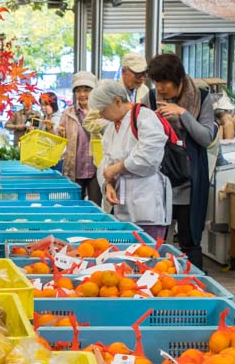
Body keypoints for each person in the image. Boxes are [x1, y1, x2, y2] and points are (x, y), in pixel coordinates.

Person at [148, 53, 217, 265]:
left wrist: (182, 114)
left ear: (178, 78)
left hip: (190, 181)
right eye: (156, 82)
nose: (160, 88)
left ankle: (195, 285)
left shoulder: (202, 98)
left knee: (189, 239)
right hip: (159, 181)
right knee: (155, 239)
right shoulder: (151, 99)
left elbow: (206, 137)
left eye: (165, 82)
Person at [88, 79, 171, 242]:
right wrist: (108, 184)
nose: (101, 115)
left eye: (103, 110)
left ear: (117, 101)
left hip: (147, 203)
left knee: (148, 255)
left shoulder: (145, 117)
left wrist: (119, 167)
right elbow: (105, 159)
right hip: (122, 204)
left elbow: (150, 155)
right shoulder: (112, 127)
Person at [56, 71, 103, 203]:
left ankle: (93, 225)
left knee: (96, 205)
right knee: (74, 204)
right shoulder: (67, 113)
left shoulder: (102, 111)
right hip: (75, 167)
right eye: (78, 90)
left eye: (87, 90)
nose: (82, 94)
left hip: (97, 167)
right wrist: (55, 131)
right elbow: (60, 139)